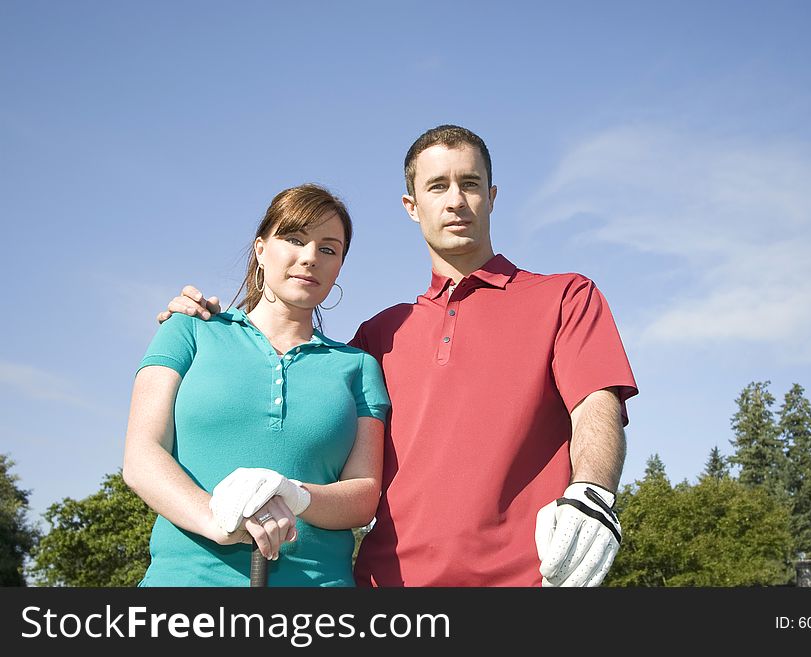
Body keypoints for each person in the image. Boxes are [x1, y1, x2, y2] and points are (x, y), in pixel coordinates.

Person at [159, 126, 638, 587]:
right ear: (412, 206)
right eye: (437, 186)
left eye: (470, 183)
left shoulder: (565, 296)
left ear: (492, 196)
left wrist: (591, 493)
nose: (455, 199)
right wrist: (215, 324)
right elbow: (292, 366)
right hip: (383, 586)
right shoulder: (378, 335)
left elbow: (597, 407)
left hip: (523, 579)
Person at [125, 184, 390, 586]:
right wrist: (216, 519)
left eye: (328, 249)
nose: (309, 258)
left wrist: (295, 493)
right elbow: (142, 455)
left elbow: (364, 494)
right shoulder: (189, 330)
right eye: (295, 239)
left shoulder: (357, 366)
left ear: (339, 267)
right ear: (261, 249)